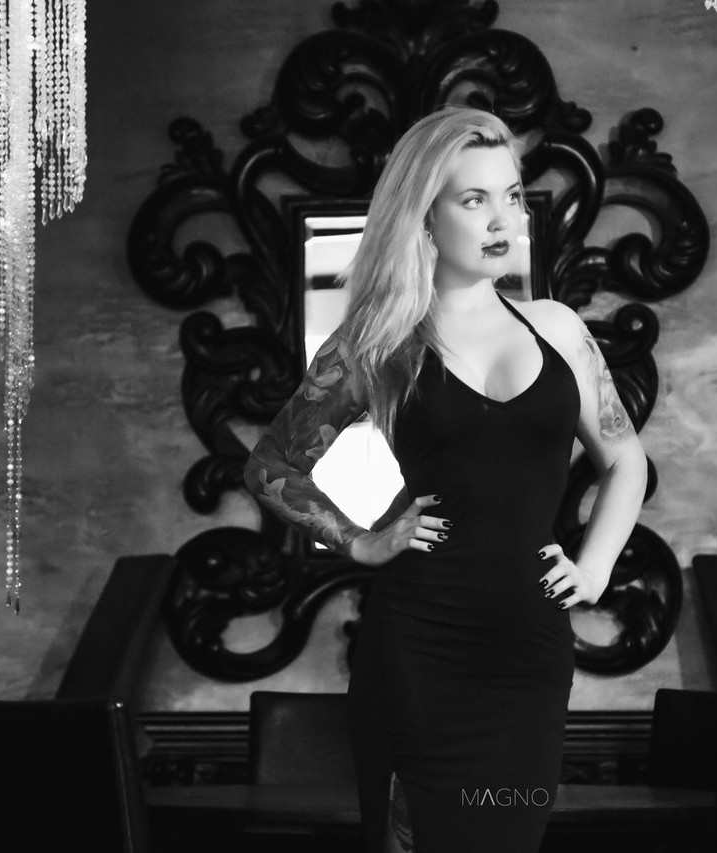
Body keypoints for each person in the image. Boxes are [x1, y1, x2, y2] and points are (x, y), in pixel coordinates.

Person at [243, 105, 648, 853]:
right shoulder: (377, 344)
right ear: (425, 215)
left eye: (512, 196)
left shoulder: (558, 328)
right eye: (474, 199)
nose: (502, 219)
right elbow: (270, 465)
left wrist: (593, 569)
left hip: (528, 655)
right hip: (418, 652)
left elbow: (626, 459)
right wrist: (361, 541)